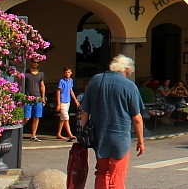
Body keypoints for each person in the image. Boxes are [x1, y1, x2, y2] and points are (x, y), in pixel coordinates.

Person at [80, 54, 145, 189]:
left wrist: (83, 133)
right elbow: (137, 118)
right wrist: (140, 141)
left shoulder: (96, 80)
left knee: (102, 172)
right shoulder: (130, 86)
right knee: (117, 175)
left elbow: (84, 112)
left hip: (99, 136)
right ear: (126, 70)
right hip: (120, 138)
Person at [22, 60, 46, 142]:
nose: (36, 64)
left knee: (36, 117)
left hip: (38, 98)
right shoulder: (26, 73)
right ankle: (18, 132)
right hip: (28, 98)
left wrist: (43, 97)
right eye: (34, 62)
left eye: (37, 62)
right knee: (27, 117)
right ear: (31, 63)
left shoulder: (41, 74)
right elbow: (21, 84)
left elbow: (42, 86)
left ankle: (33, 135)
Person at [55, 66, 79, 141]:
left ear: (71, 73)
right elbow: (58, 92)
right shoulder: (61, 81)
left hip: (67, 101)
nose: (67, 73)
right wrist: (58, 104)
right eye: (66, 72)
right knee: (66, 118)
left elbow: (71, 90)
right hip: (62, 102)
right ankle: (70, 134)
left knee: (62, 119)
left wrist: (75, 100)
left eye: (68, 72)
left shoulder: (71, 80)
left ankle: (58, 133)